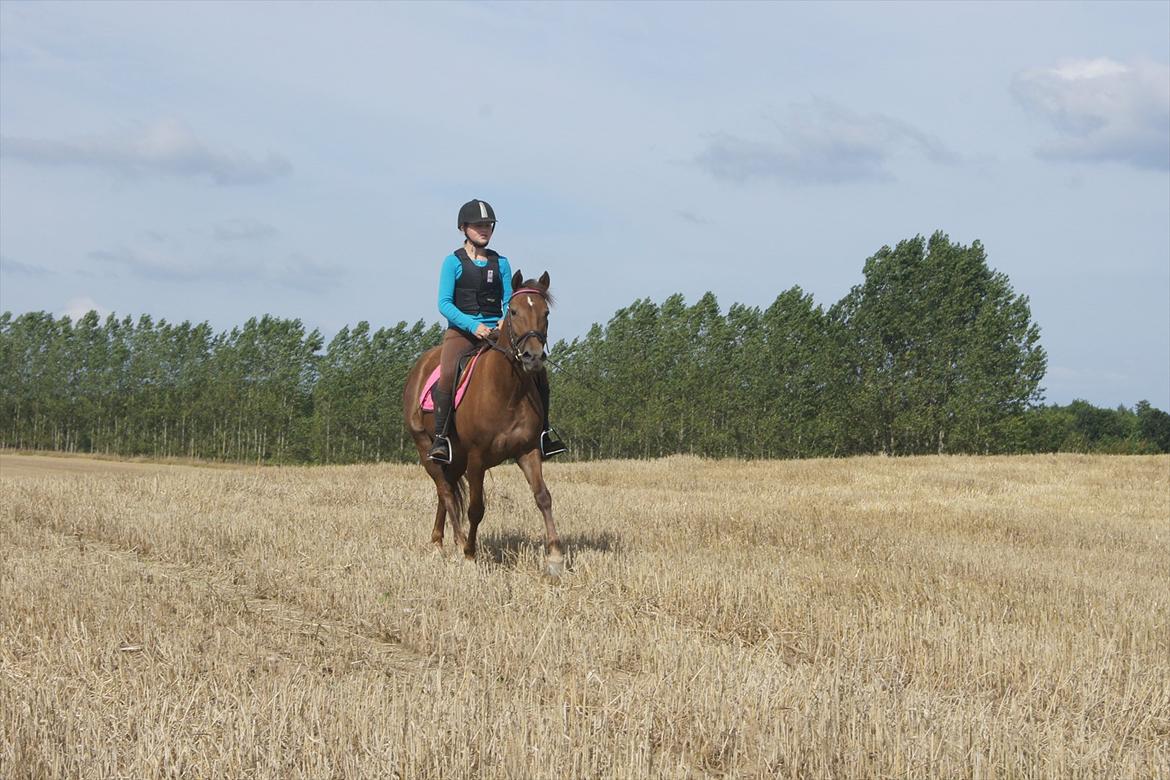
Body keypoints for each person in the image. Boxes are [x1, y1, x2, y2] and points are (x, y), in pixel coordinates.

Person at [428, 199, 567, 463]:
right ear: (464, 228)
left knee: (539, 373)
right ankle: (441, 438)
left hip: (498, 330)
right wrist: (473, 326)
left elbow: (508, 299)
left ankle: (544, 434)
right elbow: (444, 303)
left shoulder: (501, 263)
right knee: (447, 373)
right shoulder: (452, 262)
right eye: (479, 225)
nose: (484, 229)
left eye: (488, 225)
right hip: (462, 332)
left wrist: (503, 322)